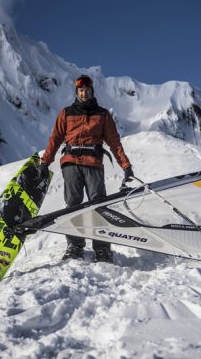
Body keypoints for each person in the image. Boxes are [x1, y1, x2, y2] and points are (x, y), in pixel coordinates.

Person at [39, 74, 134, 263]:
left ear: (91, 91)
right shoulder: (66, 113)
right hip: (71, 163)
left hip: (93, 163)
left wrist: (126, 165)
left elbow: (114, 143)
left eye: (87, 90)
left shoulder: (102, 114)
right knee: (73, 205)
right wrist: (45, 162)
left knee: (98, 205)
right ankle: (74, 246)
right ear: (77, 92)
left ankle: (102, 248)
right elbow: (55, 140)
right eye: (80, 91)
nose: (84, 93)